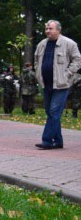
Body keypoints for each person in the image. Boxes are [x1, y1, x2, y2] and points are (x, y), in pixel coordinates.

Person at [33, 20, 81, 149]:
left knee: (54, 112)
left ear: (58, 30)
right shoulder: (42, 44)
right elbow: (36, 60)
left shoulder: (69, 43)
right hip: (46, 84)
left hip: (61, 85)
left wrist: (68, 73)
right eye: (46, 28)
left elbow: (77, 60)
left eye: (51, 28)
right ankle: (58, 141)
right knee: (51, 113)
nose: (48, 31)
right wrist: (38, 73)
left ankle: (47, 141)